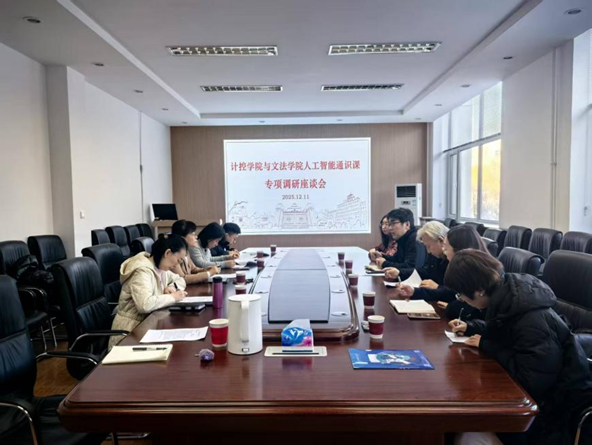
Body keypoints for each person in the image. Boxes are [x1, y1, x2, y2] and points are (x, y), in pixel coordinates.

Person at [445, 249, 592, 445]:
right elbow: (506, 330)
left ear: (479, 290)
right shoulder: (509, 295)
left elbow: (531, 381)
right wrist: (472, 327)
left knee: (462, 429)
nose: (462, 300)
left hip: (551, 417)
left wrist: (487, 345)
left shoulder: (532, 321)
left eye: (461, 294)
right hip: (543, 404)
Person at [109, 235, 188, 348]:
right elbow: (144, 305)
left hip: (149, 326)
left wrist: (171, 287)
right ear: (167, 253)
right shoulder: (142, 271)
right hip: (130, 332)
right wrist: (173, 297)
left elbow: (180, 279)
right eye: (178, 260)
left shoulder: (161, 268)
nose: (177, 265)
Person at [384, 221, 450, 301]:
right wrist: (399, 273)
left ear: (441, 240)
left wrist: (438, 287)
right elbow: (425, 272)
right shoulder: (435, 255)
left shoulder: (453, 259)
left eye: (429, 246)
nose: (428, 251)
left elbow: (455, 293)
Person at [374, 208, 420, 276]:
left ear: (407, 224)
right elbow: (397, 259)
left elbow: (410, 266)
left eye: (393, 223)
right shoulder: (402, 238)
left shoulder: (415, 239)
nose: (390, 228)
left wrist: (385, 263)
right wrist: (382, 256)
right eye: (389, 224)